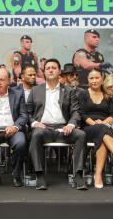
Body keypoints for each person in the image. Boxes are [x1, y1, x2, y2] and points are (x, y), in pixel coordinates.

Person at [26, 59, 87, 190]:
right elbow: (27, 112)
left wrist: (71, 124)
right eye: (48, 68)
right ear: (44, 72)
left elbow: (76, 112)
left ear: (59, 71)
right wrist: (35, 123)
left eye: (54, 68)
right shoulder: (36, 90)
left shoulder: (69, 91)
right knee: (36, 134)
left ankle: (78, 175)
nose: (51, 70)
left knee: (81, 135)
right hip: (44, 129)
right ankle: (40, 175)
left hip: (63, 129)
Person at [79, 68, 113, 189]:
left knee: (102, 136)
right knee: (101, 130)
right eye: (91, 78)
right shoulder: (83, 94)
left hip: (105, 126)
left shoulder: (108, 95)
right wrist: (95, 124)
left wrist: (103, 122)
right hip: (88, 127)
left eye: (97, 78)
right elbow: (82, 114)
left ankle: (98, 175)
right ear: (88, 80)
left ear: (102, 79)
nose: (94, 81)